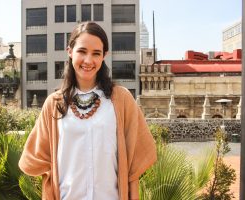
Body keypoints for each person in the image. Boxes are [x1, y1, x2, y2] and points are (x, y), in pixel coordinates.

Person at [19, 21, 157, 200]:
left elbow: (137, 158)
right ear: (70, 51)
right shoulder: (54, 104)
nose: (88, 60)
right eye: (82, 51)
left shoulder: (121, 100)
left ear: (104, 56)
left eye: (96, 53)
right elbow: (35, 159)